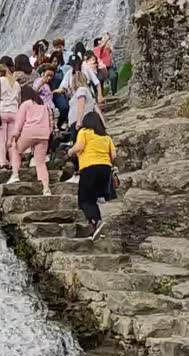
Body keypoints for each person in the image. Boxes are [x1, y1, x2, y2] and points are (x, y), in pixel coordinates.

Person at [67, 111, 116, 240]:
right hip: (105, 169)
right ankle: (97, 227)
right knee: (92, 199)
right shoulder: (106, 137)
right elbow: (114, 155)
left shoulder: (84, 132)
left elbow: (79, 147)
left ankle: (95, 221)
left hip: (89, 168)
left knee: (84, 200)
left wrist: (70, 151)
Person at [60, 54, 105, 184]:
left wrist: (78, 121)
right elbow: (95, 107)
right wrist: (103, 122)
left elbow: (80, 105)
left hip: (78, 123)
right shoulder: (87, 92)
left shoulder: (80, 91)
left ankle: (79, 172)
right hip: (89, 122)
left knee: (79, 147)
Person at [6, 86, 53, 195]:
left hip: (29, 132)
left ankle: (15, 175)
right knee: (40, 162)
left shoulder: (26, 104)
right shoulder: (45, 106)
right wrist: (48, 133)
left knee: (16, 150)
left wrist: (13, 137)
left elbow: (19, 123)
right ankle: (46, 188)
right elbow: (51, 123)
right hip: (44, 135)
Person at [0, 63, 21, 168]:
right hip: (14, 112)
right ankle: (12, 162)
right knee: (11, 141)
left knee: (1, 141)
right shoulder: (16, 84)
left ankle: (3, 163)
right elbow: (19, 101)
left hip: (2, 112)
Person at [49, 51, 69, 129]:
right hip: (49, 93)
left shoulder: (60, 72)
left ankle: (62, 121)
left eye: (58, 62)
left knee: (64, 106)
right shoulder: (47, 71)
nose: (56, 63)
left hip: (58, 93)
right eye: (54, 61)